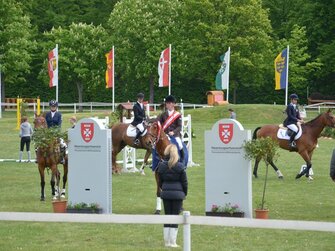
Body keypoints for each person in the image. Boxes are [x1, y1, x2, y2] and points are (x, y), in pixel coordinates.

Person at [157, 144, 188, 248]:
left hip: (165, 193)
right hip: (178, 194)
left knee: (167, 216)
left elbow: (160, 182)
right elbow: (185, 183)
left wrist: (164, 188)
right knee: (175, 217)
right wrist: (184, 193)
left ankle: (167, 242)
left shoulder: (161, 166)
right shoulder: (180, 166)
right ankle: (172, 242)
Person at [158, 95, 185, 162]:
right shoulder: (163, 114)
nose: (168, 105)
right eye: (167, 103)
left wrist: (173, 132)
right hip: (165, 135)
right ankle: (156, 162)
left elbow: (180, 126)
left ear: (173, 104)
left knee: (180, 144)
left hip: (175, 135)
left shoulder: (178, 115)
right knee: (155, 145)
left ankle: (182, 160)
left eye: (169, 103)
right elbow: (158, 122)